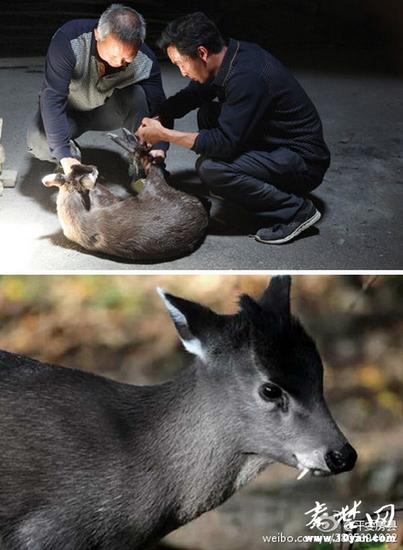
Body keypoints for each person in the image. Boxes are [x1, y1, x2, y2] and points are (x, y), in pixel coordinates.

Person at [136, 12, 331, 245]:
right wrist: (158, 116)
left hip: (303, 161)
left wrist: (164, 135)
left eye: (181, 63)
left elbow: (224, 143)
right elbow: (193, 94)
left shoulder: (248, 76)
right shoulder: (230, 55)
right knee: (208, 113)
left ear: (201, 53)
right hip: (273, 141)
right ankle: (241, 185)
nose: (183, 72)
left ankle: (297, 211)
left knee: (211, 169)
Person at [27, 3, 167, 176]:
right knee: (39, 143)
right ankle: (70, 156)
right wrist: (64, 154)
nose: (117, 63)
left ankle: (142, 161)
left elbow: (159, 107)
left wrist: (159, 146)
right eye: (113, 55)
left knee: (137, 96)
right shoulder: (69, 41)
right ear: (98, 34)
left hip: (108, 111)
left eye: (126, 59)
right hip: (68, 112)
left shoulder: (145, 60)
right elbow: (52, 99)